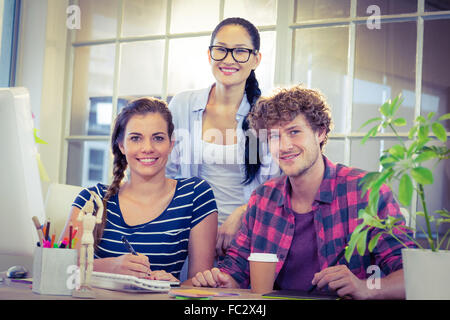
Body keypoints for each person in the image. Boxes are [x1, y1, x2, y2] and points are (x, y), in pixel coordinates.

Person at [192, 85, 416, 299]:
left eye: (294, 132)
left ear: (320, 132)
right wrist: (221, 280)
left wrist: (366, 287)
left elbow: (414, 275)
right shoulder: (263, 199)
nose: (284, 146)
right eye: (274, 137)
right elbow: (235, 271)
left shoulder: (366, 191)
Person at [60, 97, 218, 283]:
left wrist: (175, 285)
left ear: (171, 144)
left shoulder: (195, 195)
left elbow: (201, 285)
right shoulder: (92, 199)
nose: (147, 148)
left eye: (158, 138)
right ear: (121, 145)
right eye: (136, 138)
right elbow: (60, 268)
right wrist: (111, 267)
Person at [166, 17, 279, 257]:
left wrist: (243, 212)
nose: (229, 59)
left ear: (256, 59)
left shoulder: (267, 114)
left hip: (249, 241)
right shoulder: (182, 104)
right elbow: (163, 172)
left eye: (240, 51)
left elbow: (278, 188)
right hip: (188, 240)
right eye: (221, 50)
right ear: (209, 55)